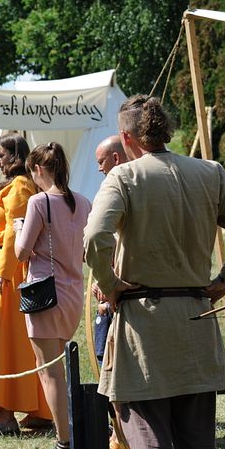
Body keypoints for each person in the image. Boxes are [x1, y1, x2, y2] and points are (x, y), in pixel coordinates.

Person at [83, 95, 225, 449]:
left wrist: (111, 284)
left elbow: (94, 238)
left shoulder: (124, 176)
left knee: (150, 445)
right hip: (196, 322)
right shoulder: (209, 172)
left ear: (126, 137)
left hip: (144, 330)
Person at [14, 142, 92, 449]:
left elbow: (21, 252)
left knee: (50, 373)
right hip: (72, 295)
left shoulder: (39, 202)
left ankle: (64, 443)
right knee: (59, 370)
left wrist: (19, 228)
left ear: (38, 170)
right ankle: (72, 435)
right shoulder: (83, 202)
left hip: (45, 295)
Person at [0, 132, 52, 437]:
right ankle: (38, 410)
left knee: (7, 341)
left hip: (9, 271)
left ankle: (7, 416)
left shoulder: (21, 185)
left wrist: (2, 273)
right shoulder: (16, 184)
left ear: (15, 156)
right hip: (4, 267)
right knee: (17, 340)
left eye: (0, 155)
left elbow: (15, 231)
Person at [92, 134, 128, 366]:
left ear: (115, 158)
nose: (98, 169)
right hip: (115, 288)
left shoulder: (123, 188)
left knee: (116, 362)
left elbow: (99, 236)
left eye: (101, 162)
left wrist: (109, 282)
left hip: (127, 290)